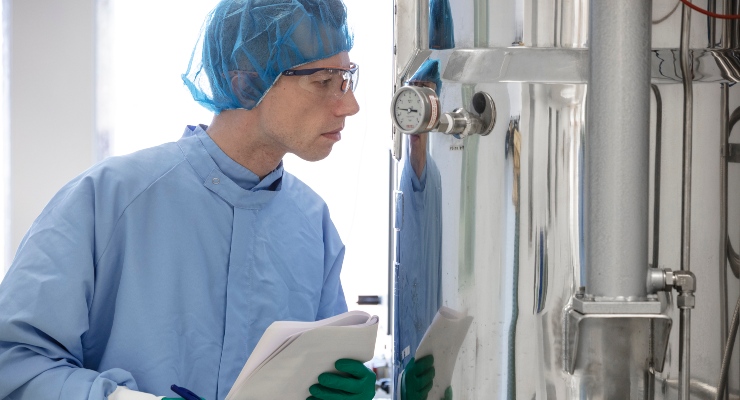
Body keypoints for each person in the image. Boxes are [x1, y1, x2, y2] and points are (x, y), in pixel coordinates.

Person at [0, 0, 376, 399]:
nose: (350, 105)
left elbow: (324, 365)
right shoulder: (108, 199)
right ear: (245, 84)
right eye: (323, 81)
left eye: (346, 79)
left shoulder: (312, 222)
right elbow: (15, 363)